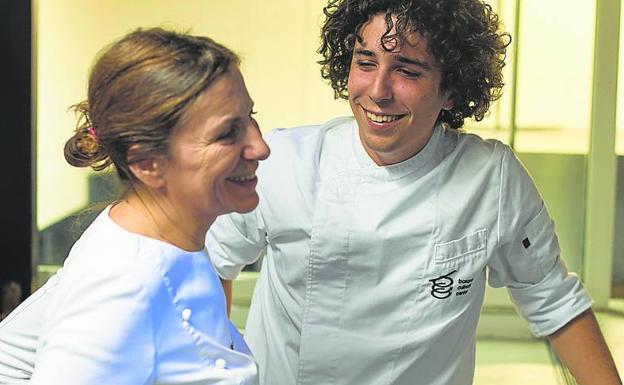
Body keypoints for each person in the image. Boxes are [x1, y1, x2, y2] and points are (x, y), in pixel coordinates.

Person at [206, 0, 622, 384]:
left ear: (452, 89)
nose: (378, 91)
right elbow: (211, 264)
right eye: (365, 62)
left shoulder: (490, 179)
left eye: (407, 70)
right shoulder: (287, 163)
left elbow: (554, 301)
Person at [0, 27, 269, 384]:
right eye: (226, 134)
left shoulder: (176, 240)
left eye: (250, 117)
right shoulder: (123, 286)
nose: (260, 147)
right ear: (147, 163)